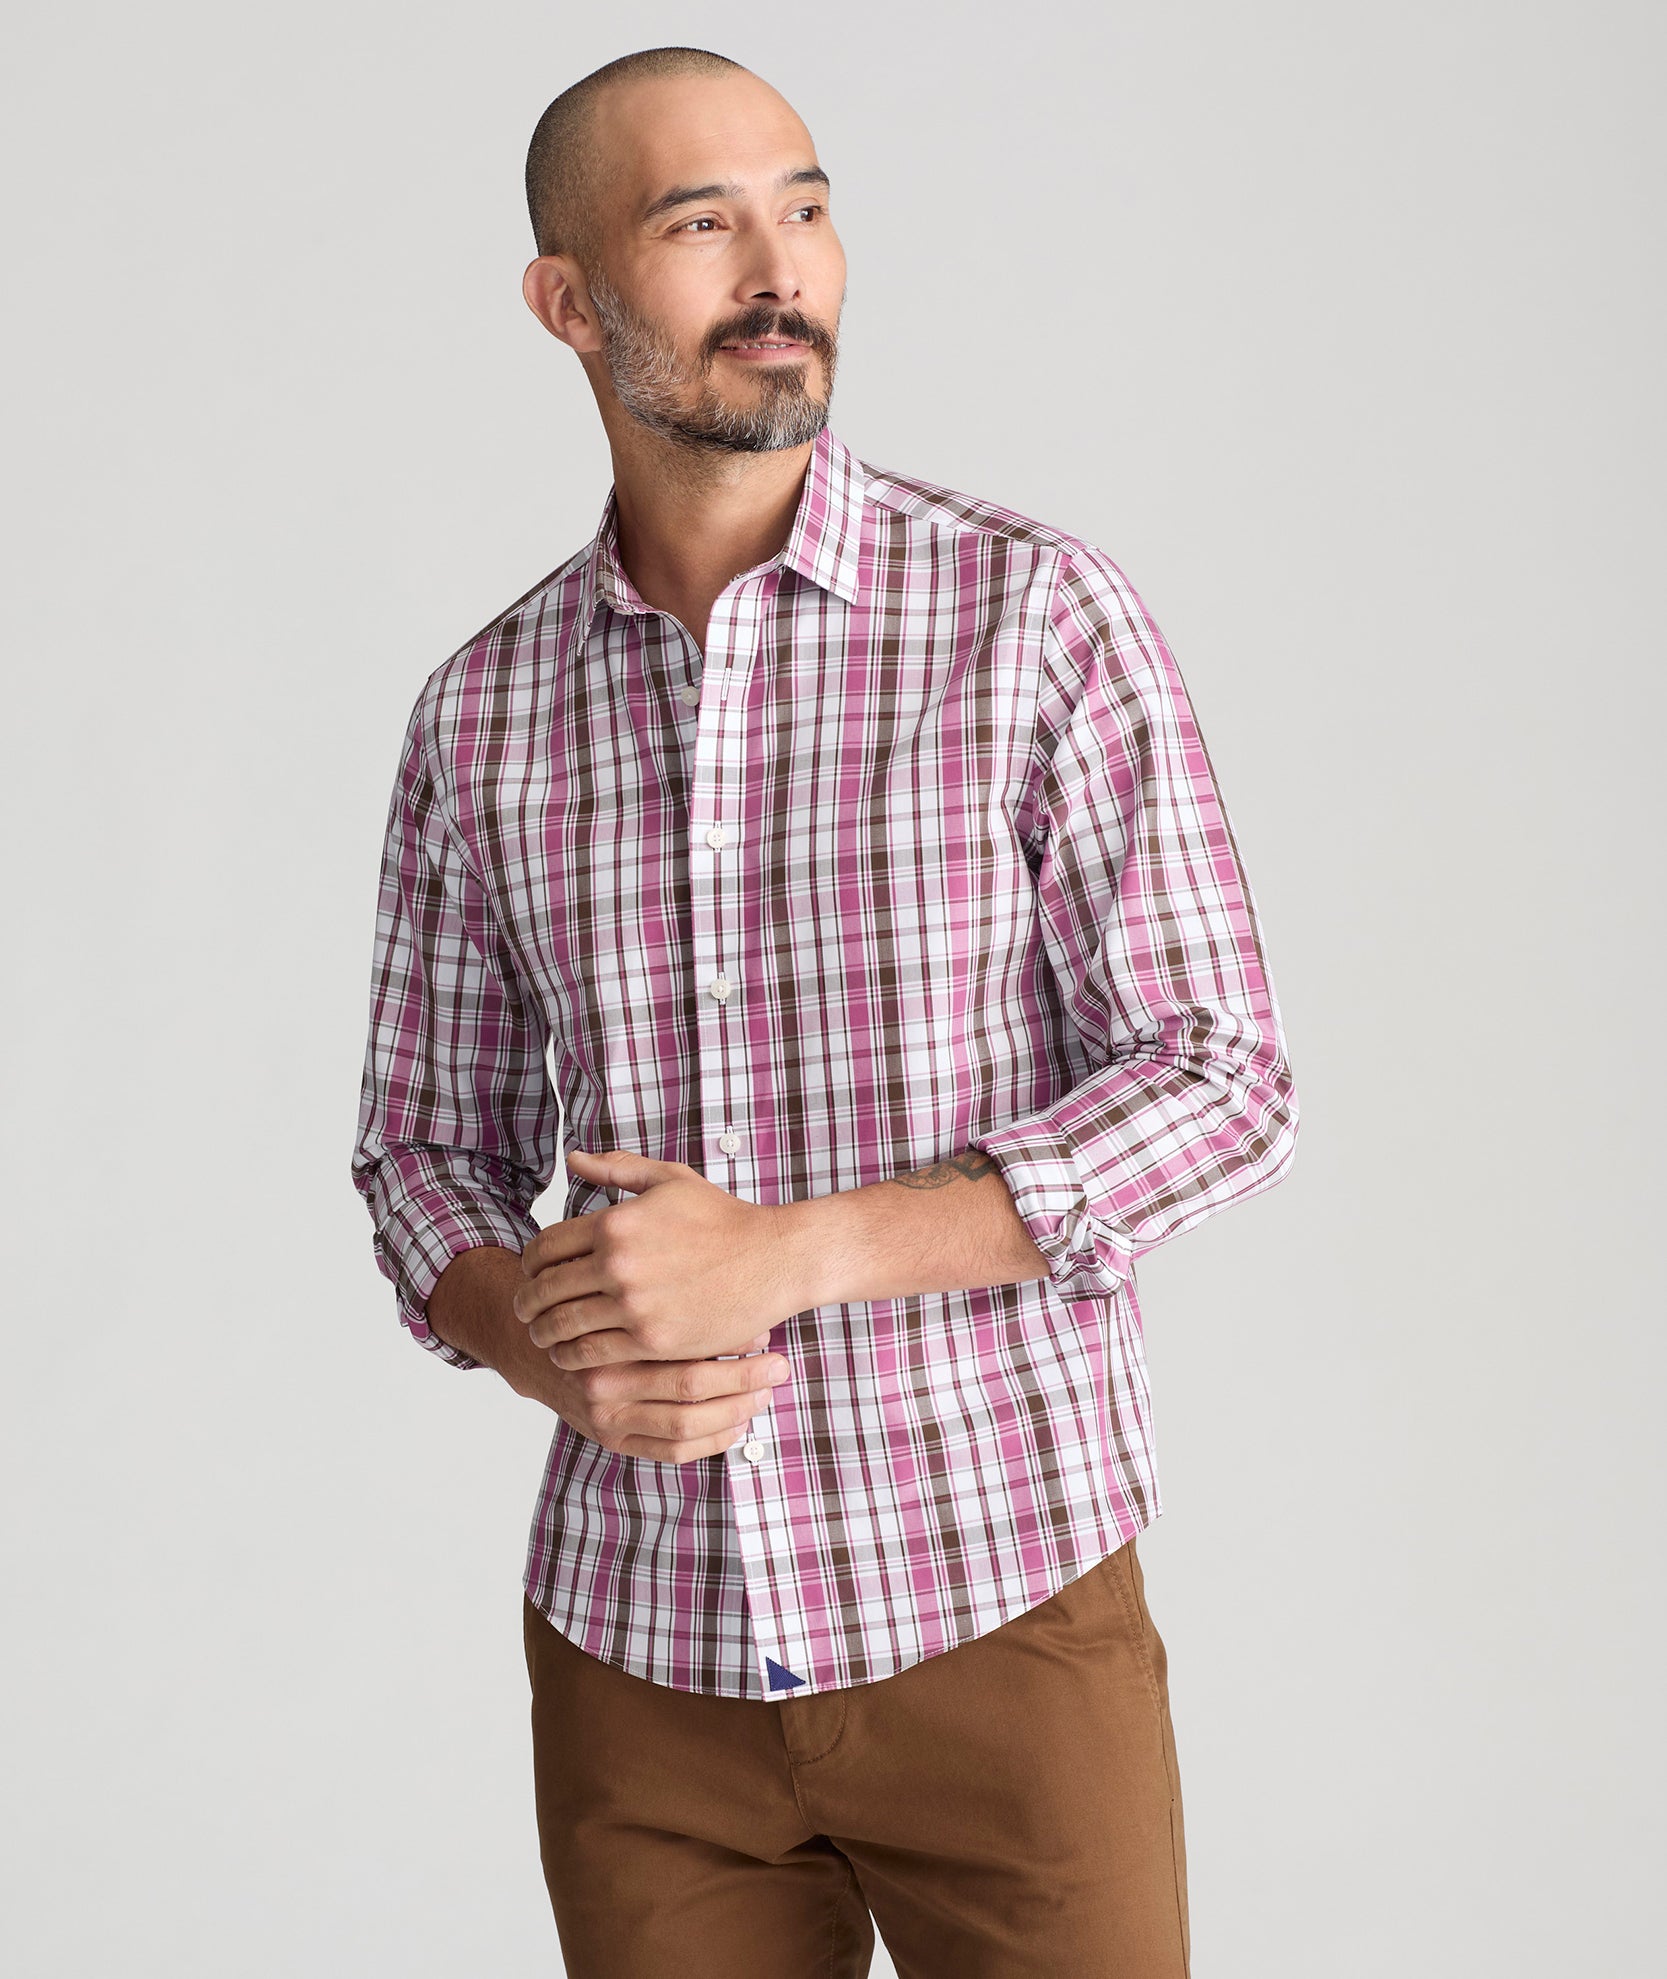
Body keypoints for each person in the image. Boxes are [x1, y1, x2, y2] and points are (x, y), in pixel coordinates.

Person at [349, 42, 1299, 1979]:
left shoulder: (1033, 619)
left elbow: (1223, 1083)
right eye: (702, 224)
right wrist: (538, 1338)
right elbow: (422, 1153)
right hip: (641, 1658)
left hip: (999, 1608)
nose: (780, 269)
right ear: (568, 302)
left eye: (805, 207)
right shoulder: (484, 716)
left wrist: (787, 1256)